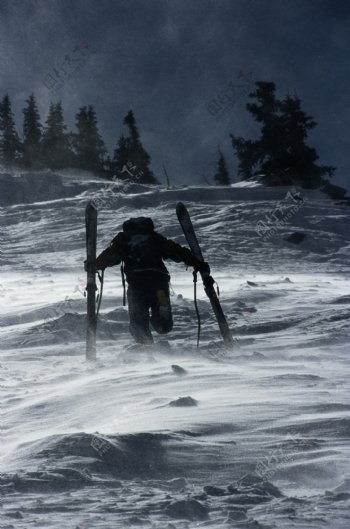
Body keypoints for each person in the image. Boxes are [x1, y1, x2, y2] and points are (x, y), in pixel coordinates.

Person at [94, 216, 209, 344]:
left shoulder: (124, 240)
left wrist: (95, 265)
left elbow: (111, 255)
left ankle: (147, 349)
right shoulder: (155, 238)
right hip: (159, 287)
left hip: (138, 287)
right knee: (163, 323)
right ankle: (159, 326)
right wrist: (196, 262)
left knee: (138, 325)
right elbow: (175, 251)